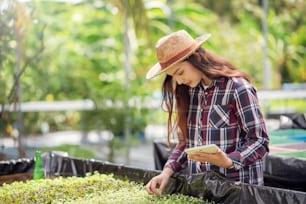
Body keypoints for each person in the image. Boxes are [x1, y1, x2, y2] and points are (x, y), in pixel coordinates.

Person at [145, 30, 269, 196]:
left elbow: (260, 140)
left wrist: (228, 160)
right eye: (174, 76)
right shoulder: (190, 92)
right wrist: (166, 172)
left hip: (239, 192)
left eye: (180, 72)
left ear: (196, 59)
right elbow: (186, 142)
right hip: (203, 191)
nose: (180, 81)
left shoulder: (238, 89)